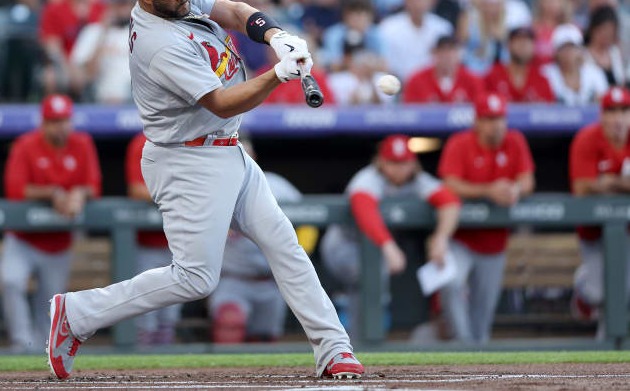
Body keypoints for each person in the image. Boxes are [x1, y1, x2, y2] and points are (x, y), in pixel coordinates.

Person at [46, 0, 363, 380]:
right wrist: (277, 75)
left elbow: (232, 11)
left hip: (225, 149)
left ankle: (334, 348)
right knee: (196, 278)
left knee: (283, 243)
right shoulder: (158, 42)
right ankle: (77, 314)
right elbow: (221, 103)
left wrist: (274, 35)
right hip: (187, 159)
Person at [320, 134, 460, 334]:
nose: (399, 169)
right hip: (344, 245)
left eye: (404, 163)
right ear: (381, 162)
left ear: (413, 163)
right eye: (393, 163)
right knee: (373, 279)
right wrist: (389, 247)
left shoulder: (418, 180)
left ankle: (355, 333)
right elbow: (363, 208)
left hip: (374, 246)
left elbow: (449, 201)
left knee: (369, 286)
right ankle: (360, 336)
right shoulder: (368, 178)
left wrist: (441, 238)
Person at [1, 94, 101, 351]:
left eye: (64, 120)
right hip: (23, 239)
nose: (60, 126)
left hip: (59, 243)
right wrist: (53, 193)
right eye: (54, 121)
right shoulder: (25, 144)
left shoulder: (83, 143)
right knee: (11, 281)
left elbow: (94, 186)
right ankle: (21, 345)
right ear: (43, 123)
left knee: (49, 305)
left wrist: (80, 193)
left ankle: (39, 354)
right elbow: (15, 190)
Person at [438, 92, 535, 343]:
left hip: (494, 244)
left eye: (499, 118)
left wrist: (515, 189)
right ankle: (462, 346)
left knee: (482, 319)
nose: (495, 124)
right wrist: (488, 191)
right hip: (461, 238)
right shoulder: (460, 143)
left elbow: (527, 180)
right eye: (489, 118)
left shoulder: (515, 141)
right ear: (477, 121)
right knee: (450, 283)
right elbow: (449, 184)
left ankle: (475, 357)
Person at [209, 137, 311, 343]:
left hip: (271, 280)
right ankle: (221, 376)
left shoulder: (276, 185)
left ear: (253, 157)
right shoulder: (211, 187)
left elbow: (309, 219)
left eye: (245, 155)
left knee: (265, 339)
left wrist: (299, 252)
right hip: (232, 279)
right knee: (230, 324)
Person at [569, 86, 630, 338]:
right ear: (602, 114)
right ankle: (582, 283)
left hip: (627, 230)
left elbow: (597, 184)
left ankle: (608, 347)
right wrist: (622, 184)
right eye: (611, 111)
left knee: (622, 294)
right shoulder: (587, 138)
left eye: (624, 110)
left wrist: (608, 182)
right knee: (597, 293)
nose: (618, 117)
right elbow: (582, 187)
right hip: (594, 233)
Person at [125, 132, 181, 346]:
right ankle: (141, 371)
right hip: (146, 244)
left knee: (170, 315)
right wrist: (174, 195)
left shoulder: (188, 138)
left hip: (178, 243)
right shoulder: (141, 142)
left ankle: (163, 371)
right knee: (145, 314)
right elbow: (136, 190)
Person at [71, 0, 136, 103]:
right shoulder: (92, 32)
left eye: (125, 3)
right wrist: (103, 32)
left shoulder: (140, 33)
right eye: (116, 3)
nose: (121, 9)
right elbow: (84, 77)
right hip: (100, 99)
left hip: (134, 101)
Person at [378, 0, 452, 83]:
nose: (419, 2)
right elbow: (385, 64)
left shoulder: (443, 28)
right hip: (398, 86)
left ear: (432, 0)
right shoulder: (388, 28)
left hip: (432, 86)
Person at [541, 23, 608, 105]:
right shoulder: (545, 74)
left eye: (572, 46)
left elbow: (604, 102)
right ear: (556, 52)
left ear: (580, 50)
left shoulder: (595, 73)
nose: (568, 51)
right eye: (563, 47)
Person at [403, 35, 483, 104]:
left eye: (451, 50)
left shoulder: (472, 80)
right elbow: (409, 112)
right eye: (442, 50)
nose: (447, 55)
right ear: (435, 53)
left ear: (458, 54)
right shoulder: (417, 80)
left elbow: (481, 112)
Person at [483, 26, 554, 103]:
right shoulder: (493, 75)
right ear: (509, 44)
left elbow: (550, 110)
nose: (523, 44)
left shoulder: (542, 80)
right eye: (518, 39)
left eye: (528, 40)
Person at [585, 5, 627, 87]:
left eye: (610, 31)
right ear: (593, 29)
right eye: (603, 29)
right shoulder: (583, 54)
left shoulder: (614, 53)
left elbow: (621, 80)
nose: (606, 34)